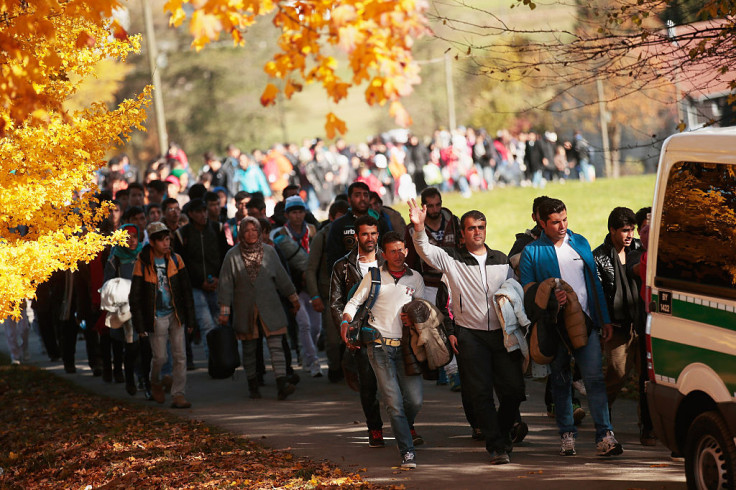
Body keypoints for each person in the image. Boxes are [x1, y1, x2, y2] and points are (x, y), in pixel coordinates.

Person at [408, 200, 524, 465]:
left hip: (502, 335)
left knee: (514, 391)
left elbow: (515, 295)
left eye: (481, 227)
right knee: (480, 393)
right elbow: (425, 249)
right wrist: (418, 226)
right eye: (471, 228)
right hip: (470, 335)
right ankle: (497, 447)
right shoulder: (452, 259)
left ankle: (502, 433)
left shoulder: (502, 260)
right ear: (462, 233)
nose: (477, 232)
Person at [519, 198, 623, 457]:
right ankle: (567, 434)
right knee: (561, 381)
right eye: (555, 222)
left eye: (565, 219)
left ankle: (605, 436)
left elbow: (594, 284)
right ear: (541, 222)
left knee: (595, 380)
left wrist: (603, 319)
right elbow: (528, 293)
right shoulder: (532, 251)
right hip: (554, 328)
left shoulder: (580, 242)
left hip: (586, 324)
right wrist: (552, 298)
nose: (562, 226)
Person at [341, 231, 425, 469]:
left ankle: (403, 428)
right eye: (393, 251)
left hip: (407, 348)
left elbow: (423, 308)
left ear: (406, 251)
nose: (399, 255)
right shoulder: (374, 276)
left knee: (415, 401)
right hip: (379, 346)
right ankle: (407, 451)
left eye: (402, 250)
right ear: (384, 254)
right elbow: (354, 302)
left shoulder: (415, 278)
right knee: (394, 402)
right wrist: (345, 321)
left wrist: (415, 317)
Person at [218, 217, 299, 400]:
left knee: (276, 345)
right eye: (246, 230)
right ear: (240, 234)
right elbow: (225, 285)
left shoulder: (269, 252)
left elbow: (282, 278)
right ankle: (253, 385)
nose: (251, 234)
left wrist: (293, 298)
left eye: (255, 230)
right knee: (249, 349)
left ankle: (282, 384)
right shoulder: (232, 256)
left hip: (270, 305)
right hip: (245, 308)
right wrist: (224, 311)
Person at [329, 215, 385, 448]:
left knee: (399, 385)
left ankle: (407, 426)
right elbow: (336, 303)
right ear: (356, 236)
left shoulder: (389, 259)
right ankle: (375, 429)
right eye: (364, 234)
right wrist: (347, 333)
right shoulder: (342, 266)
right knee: (368, 385)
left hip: (390, 331)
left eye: (373, 234)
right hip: (360, 334)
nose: (369, 238)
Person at [129, 221, 197, 409]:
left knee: (180, 355)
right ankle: (154, 380)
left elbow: (186, 291)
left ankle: (178, 394)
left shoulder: (176, 260)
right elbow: (135, 297)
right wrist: (140, 326)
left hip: (175, 314)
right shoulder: (142, 263)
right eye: (161, 240)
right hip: (156, 316)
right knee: (160, 357)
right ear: (152, 242)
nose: (166, 244)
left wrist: (190, 318)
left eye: (167, 239)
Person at [404, 187, 462, 389]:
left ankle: (453, 370)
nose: (436, 209)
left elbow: (462, 248)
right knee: (433, 327)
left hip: (451, 281)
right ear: (424, 206)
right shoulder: (413, 228)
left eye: (439, 204)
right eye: (431, 205)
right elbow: (410, 259)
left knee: (451, 323)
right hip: (427, 283)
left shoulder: (453, 222)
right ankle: (442, 367)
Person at [593, 208, 645, 427]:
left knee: (646, 379)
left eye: (632, 230)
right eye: (625, 230)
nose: (629, 235)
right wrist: (604, 322)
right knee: (617, 374)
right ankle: (603, 419)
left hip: (641, 322)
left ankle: (648, 426)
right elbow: (597, 293)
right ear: (612, 230)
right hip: (616, 325)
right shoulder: (599, 256)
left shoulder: (641, 250)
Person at [174, 199, 228, 370]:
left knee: (221, 321)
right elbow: (183, 264)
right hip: (196, 287)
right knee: (206, 324)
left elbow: (225, 255)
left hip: (217, 284)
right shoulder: (182, 235)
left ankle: (225, 358)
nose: (203, 214)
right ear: (190, 214)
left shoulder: (218, 229)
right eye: (198, 211)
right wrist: (199, 282)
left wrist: (220, 278)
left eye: (204, 210)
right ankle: (213, 362)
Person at [272, 196, 322, 377]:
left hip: (312, 286)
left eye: (301, 211)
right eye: (294, 212)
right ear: (287, 215)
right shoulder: (281, 235)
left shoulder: (313, 230)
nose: (298, 216)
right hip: (294, 286)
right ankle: (313, 360)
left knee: (316, 327)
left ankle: (308, 356)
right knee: (304, 324)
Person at [104, 223, 151, 398]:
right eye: (127, 236)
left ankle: (147, 382)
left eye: (134, 236)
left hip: (144, 305)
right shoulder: (115, 257)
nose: (131, 240)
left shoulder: (143, 254)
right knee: (132, 347)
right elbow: (107, 283)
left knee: (146, 347)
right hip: (125, 308)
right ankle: (130, 377)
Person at [305, 200, 349, 382]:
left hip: (352, 293)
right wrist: (315, 295)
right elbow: (311, 269)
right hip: (329, 294)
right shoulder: (322, 237)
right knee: (332, 338)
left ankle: (349, 369)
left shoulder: (354, 235)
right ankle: (335, 367)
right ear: (331, 218)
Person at [326, 181, 390, 268]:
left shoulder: (379, 221)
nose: (362, 198)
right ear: (349, 199)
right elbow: (333, 257)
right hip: (349, 276)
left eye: (366, 195)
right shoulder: (339, 224)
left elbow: (389, 247)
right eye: (357, 195)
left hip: (378, 274)